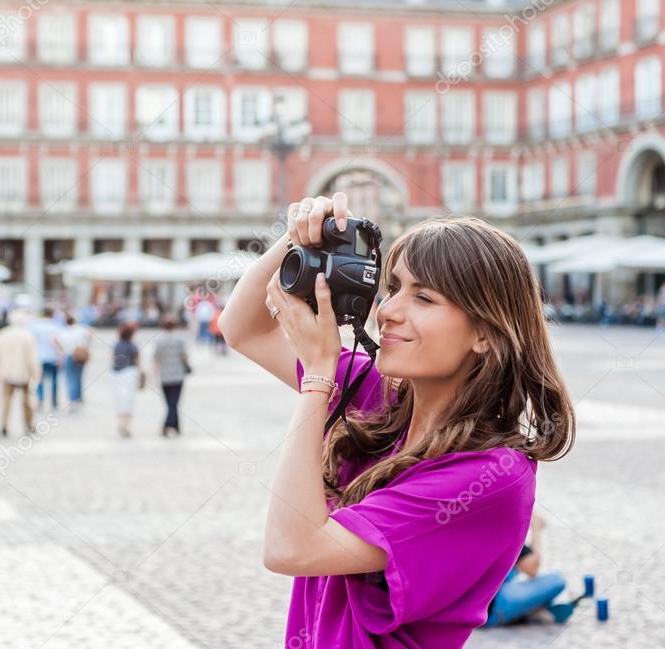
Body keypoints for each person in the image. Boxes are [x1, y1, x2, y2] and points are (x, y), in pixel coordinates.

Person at [218, 193, 576, 649]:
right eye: (393, 287)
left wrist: (319, 380)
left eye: (423, 297)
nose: (386, 310)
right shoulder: (381, 396)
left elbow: (291, 548)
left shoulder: (492, 476)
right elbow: (242, 328)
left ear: (486, 333)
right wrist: (298, 237)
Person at [483, 513, 568, 626]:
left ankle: (531, 611)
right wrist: (536, 528)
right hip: (491, 609)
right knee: (557, 579)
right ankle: (530, 612)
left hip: (465, 609)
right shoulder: (503, 525)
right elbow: (532, 569)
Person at [0, 309, 41, 436]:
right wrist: (36, 374)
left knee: (6, 401)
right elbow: (32, 358)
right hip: (24, 374)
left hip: (6, 374)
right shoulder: (27, 336)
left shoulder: (2, 334)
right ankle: (29, 425)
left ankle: (3, 425)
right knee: (27, 401)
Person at [151, 314, 190, 437]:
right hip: (178, 374)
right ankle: (169, 425)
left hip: (165, 375)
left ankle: (174, 426)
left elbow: (156, 359)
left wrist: (154, 374)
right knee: (174, 403)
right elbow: (184, 356)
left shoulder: (159, 340)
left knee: (170, 403)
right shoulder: (180, 339)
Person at [29, 308, 64, 411]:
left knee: (40, 381)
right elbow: (59, 343)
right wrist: (60, 356)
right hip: (52, 357)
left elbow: (32, 342)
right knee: (54, 380)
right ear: (52, 315)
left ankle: (40, 399)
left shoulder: (37, 327)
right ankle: (54, 401)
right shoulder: (55, 327)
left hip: (40, 358)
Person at [111, 321, 141, 438]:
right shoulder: (133, 346)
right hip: (129, 373)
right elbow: (138, 361)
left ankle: (121, 423)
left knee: (120, 399)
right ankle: (125, 425)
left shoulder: (116, 345)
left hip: (116, 374)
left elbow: (112, 358)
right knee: (128, 400)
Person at [58, 314, 92, 413]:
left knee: (70, 379)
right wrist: (86, 345)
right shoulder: (81, 329)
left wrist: (61, 350)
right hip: (80, 355)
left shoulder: (64, 331)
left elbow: (56, 339)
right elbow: (90, 334)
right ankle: (78, 399)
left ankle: (73, 401)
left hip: (69, 355)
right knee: (78, 378)